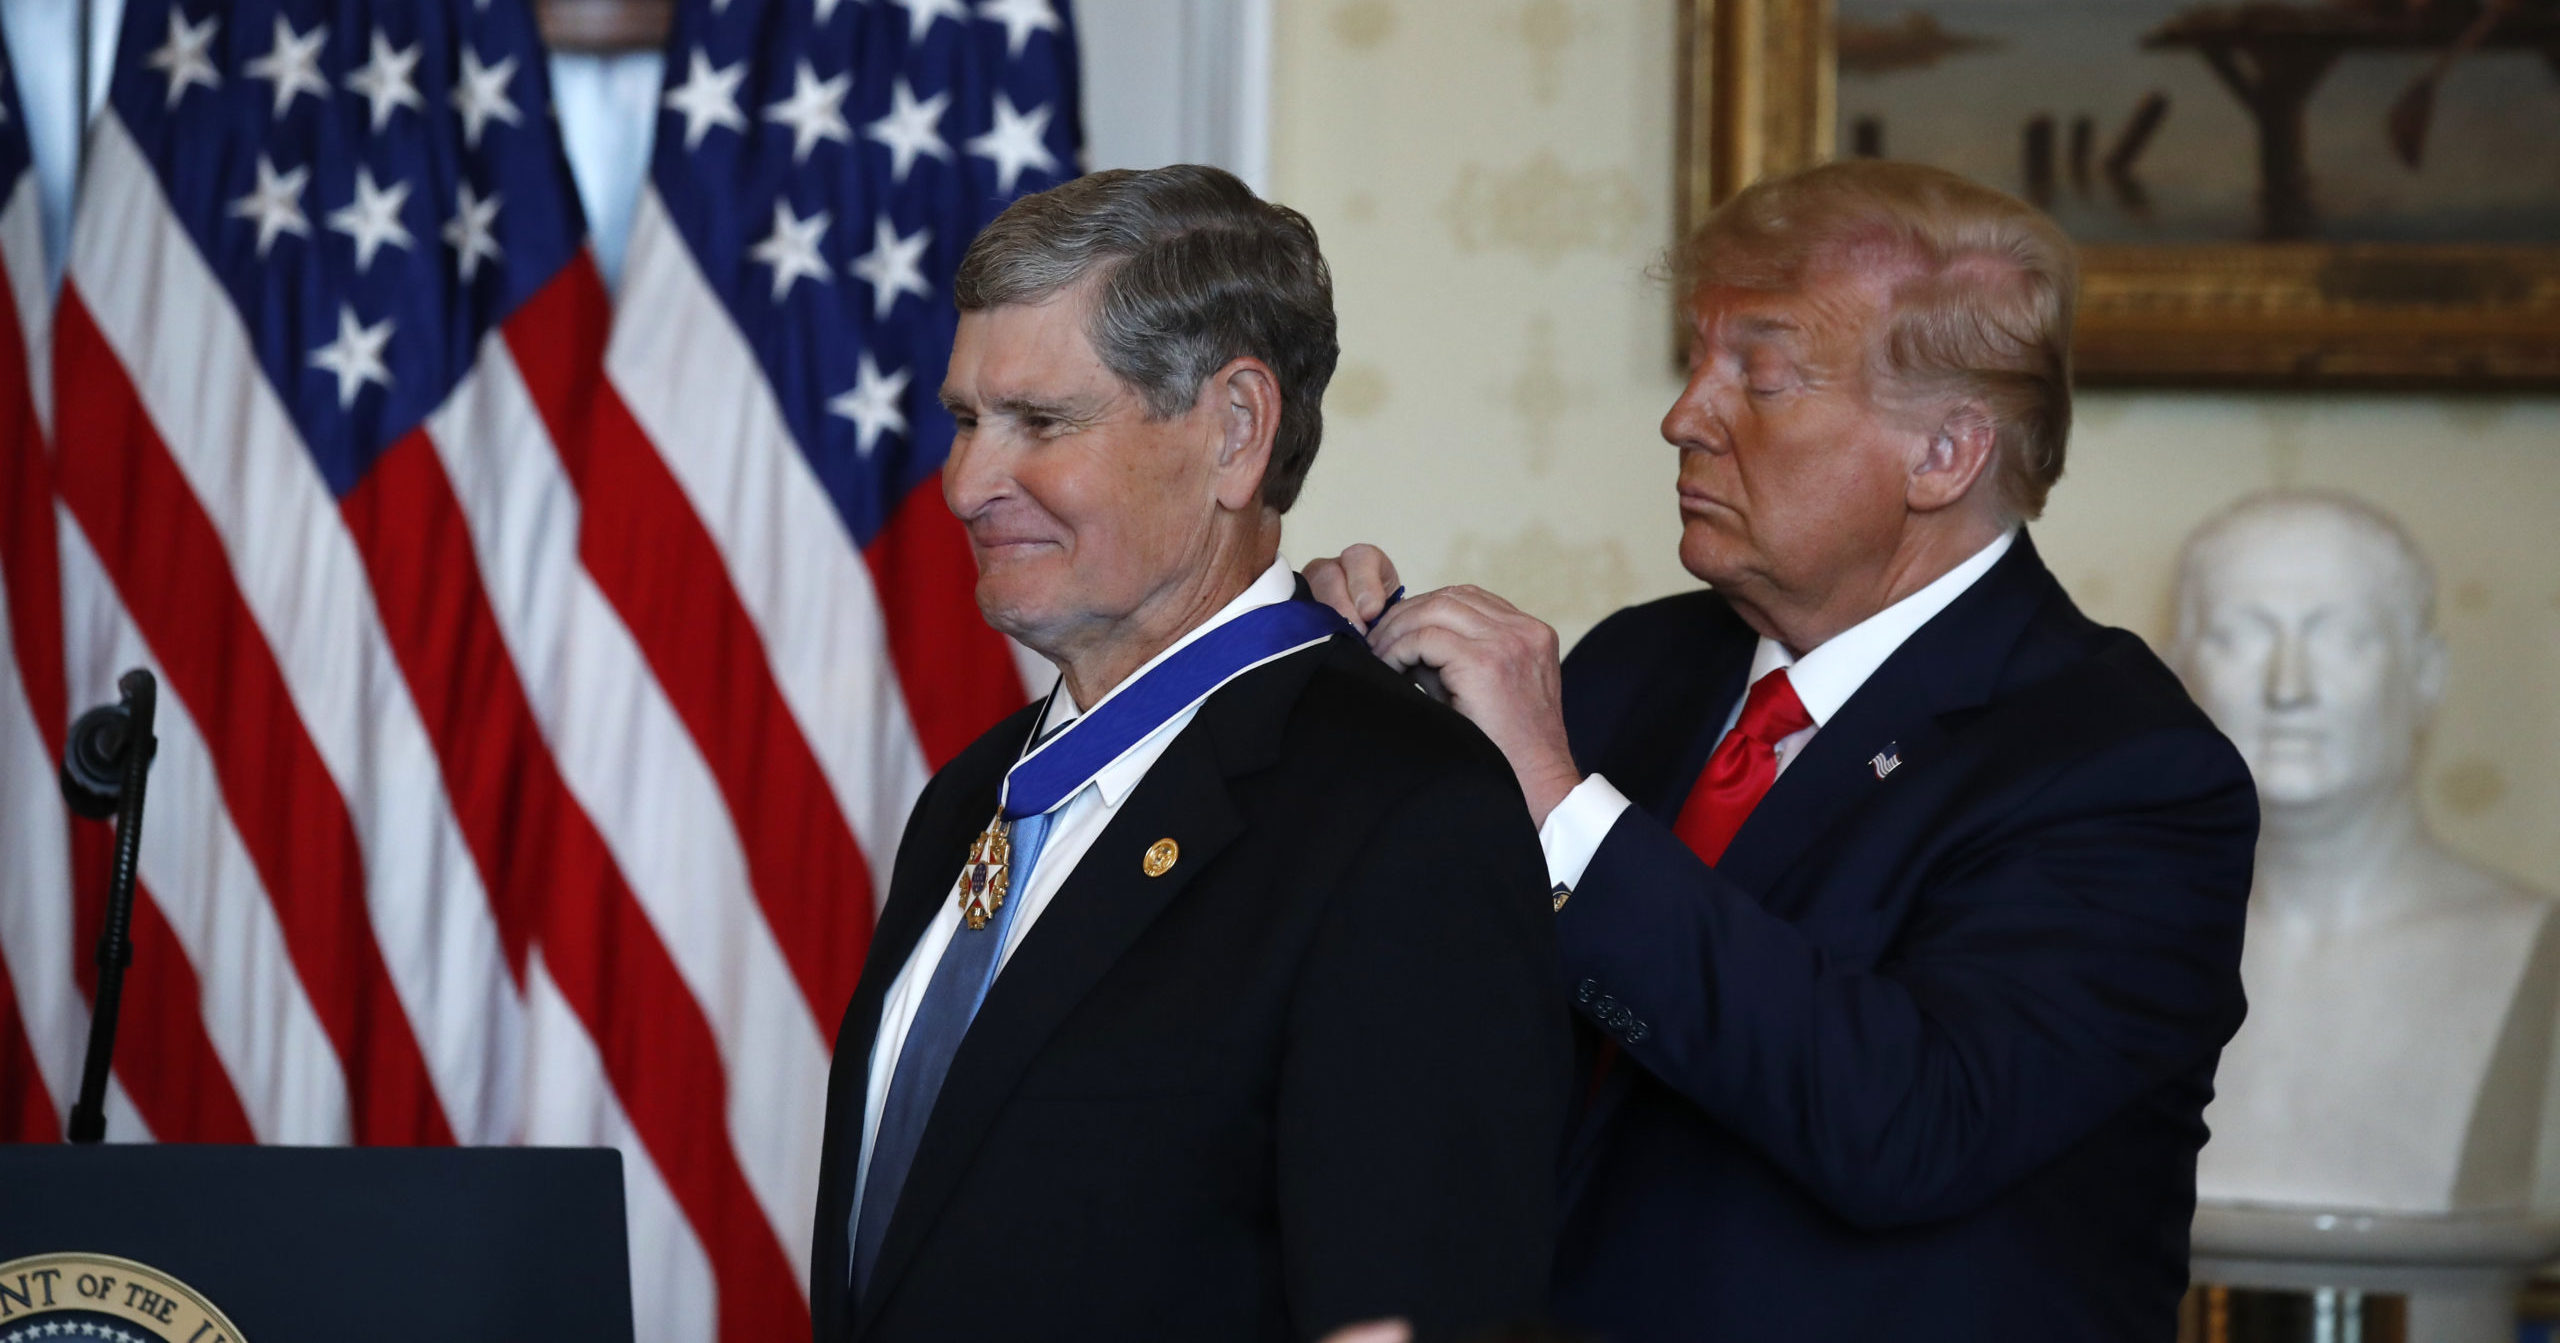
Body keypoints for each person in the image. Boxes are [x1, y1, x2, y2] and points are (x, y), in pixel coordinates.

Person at [1310, 160, 2259, 1340]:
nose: (1682, 414)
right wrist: (1339, 712)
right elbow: (1449, 1040)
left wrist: (1555, 800)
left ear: (1944, 455)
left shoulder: (2126, 768)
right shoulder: (1636, 668)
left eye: (1757, 375)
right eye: (1699, 360)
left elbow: (1908, 1123)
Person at [808, 165, 1569, 1343]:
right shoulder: (974, 791)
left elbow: (1417, 1295)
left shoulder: (1401, 811)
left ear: (1234, 431)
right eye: (965, 419)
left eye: (1041, 422)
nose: (964, 484)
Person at [2175, 490, 2560, 1214]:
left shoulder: (2530, 953)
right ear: (2179, 674)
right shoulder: (2098, 947)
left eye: (2343, 635)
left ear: (2426, 675)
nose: (2288, 686)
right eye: (2240, 635)